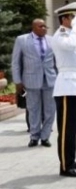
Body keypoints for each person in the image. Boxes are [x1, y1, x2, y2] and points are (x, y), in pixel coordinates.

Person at [51, 3, 76, 178]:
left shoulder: (68, 35)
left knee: (72, 129)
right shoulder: (60, 36)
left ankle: (71, 161)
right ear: (64, 19)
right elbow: (70, 45)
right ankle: (65, 166)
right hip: (66, 87)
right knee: (66, 129)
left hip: (73, 86)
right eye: (72, 17)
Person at [11, 19, 56, 148]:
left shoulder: (51, 40)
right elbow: (15, 62)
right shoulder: (22, 40)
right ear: (34, 27)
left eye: (45, 26)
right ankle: (34, 136)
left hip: (49, 80)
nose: (44, 28)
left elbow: (56, 60)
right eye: (41, 26)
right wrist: (18, 81)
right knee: (33, 109)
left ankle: (45, 137)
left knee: (50, 110)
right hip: (31, 81)